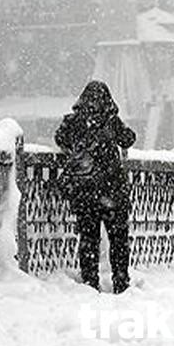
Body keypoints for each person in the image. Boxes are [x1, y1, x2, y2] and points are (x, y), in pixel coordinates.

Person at [54, 80, 136, 294]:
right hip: (112, 191)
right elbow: (128, 139)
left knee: (88, 239)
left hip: (85, 192)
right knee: (118, 240)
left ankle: (90, 283)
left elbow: (60, 139)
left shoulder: (73, 121)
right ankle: (121, 281)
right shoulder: (111, 121)